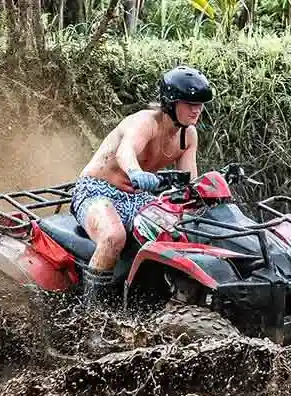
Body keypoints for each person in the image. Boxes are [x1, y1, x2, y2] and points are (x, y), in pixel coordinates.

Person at [70, 65, 214, 303]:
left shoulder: (188, 135)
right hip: (96, 190)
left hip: (136, 197)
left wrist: (204, 194)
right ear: (170, 102)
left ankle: (160, 299)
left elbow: (189, 182)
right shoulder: (145, 122)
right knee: (113, 236)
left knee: (183, 230)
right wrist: (135, 172)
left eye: (199, 104)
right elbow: (125, 153)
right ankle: (91, 313)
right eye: (190, 104)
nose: (196, 110)